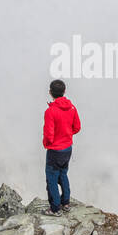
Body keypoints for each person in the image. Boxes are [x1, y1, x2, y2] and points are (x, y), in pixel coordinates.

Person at [42, 79, 80, 214]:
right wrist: (67, 135)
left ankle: (55, 208)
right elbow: (77, 127)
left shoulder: (51, 111)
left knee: (52, 178)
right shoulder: (72, 108)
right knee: (63, 174)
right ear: (64, 92)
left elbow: (49, 133)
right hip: (67, 149)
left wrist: (47, 144)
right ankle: (66, 203)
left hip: (55, 150)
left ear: (50, 92)